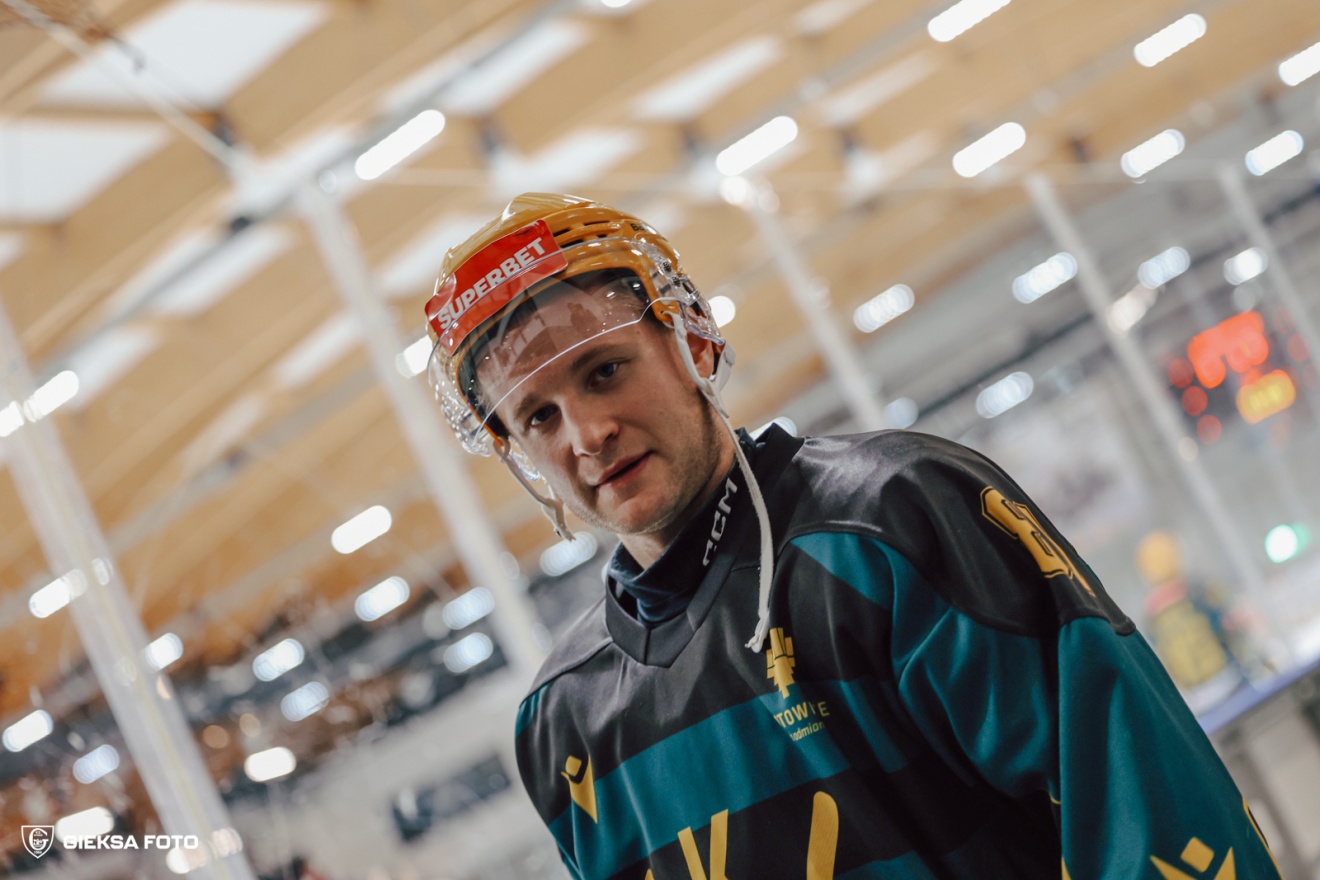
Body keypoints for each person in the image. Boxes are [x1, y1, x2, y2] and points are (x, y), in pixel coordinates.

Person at [424, 193, 1281, 879]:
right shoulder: (564, 724)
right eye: (539, 418)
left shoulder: (894, 522)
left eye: (605, 371)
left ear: (690, 342)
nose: (587, 433)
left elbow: (1144, 806)